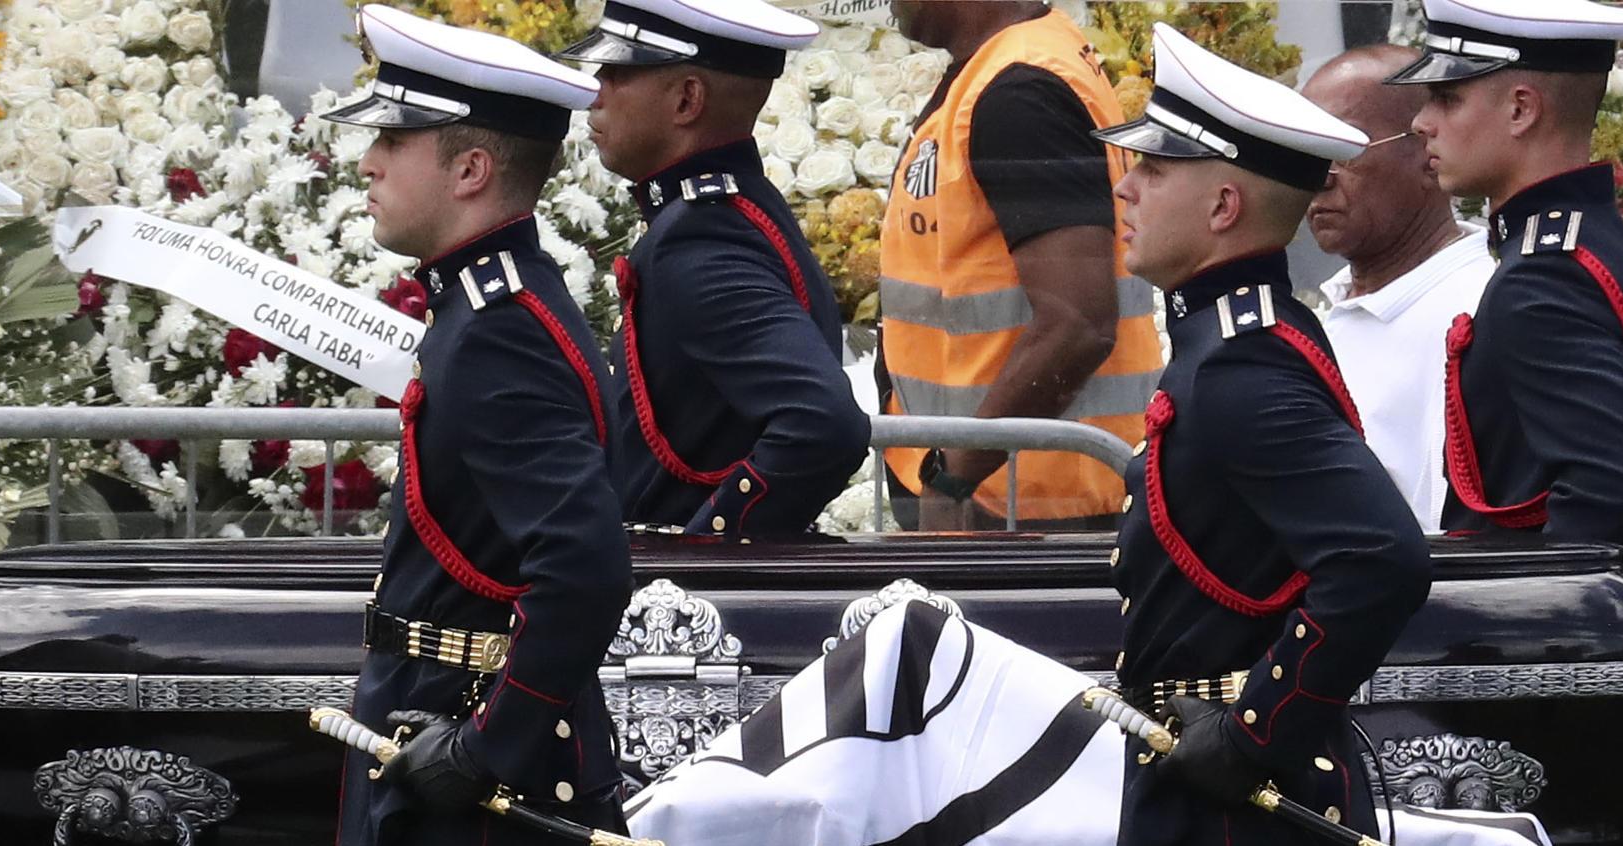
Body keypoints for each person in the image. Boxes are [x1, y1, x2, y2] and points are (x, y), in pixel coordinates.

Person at [1097, 24, 1431, 846]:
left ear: (1222, 206)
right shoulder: (1235, 342)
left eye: (1155, 168)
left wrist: (1252, 735)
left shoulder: (1239, 370)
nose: (1126, 188)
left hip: (1234, 809)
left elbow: (1377, 559)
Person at [320, 6, 634, 844]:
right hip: (432, 706)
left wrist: (483, 750)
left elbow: (582, 566)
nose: (366, 164)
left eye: (392, 142)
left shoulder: (499, 329)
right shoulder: (487, 306)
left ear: (469, 169)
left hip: (463, 740)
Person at [1386, 0, 1623, 621]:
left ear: (1522, 109)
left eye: (1446, 98)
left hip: (1551, 695)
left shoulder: (1546, 279)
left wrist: (1540, 653)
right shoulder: (1596, 247)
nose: (1422, 122)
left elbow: (1611, 498)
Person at [556, 0, 870, 538]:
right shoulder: (724, 209)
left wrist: (708, 551)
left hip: (687, 608)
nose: (595, 93)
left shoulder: (699, 238)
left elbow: (824, 424)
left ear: (686, 100)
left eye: (617, 74)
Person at [877, 0, 1164, 531]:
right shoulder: (1003, 68)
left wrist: (953, 475)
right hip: (1010, 487)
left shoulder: (1019, 92)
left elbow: (1077, 323)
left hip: (1025, 501)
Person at [1302, 45, 1495, 532]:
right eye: (1303, 153)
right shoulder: (1340, 301)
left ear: (1428, 153)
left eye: (1342, 150)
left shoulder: (1472, 311)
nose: (1316, 179)